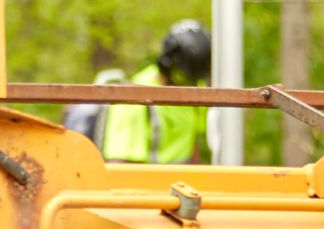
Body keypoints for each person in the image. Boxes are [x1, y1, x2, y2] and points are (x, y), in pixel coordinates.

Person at [62, 20, 214, 164]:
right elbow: (119, 166)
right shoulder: (133, 102)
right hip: (149, 188)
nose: (193, 84)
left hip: (182, 187)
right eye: (189, 79)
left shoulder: (195, 92)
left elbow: (192, 144)